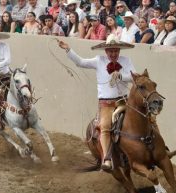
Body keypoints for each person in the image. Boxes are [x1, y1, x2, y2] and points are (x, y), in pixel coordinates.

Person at [58, 34, 136, 170]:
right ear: (106, 51)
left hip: (124, 101)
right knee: (105, 126)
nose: (113, 53)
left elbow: (135, 76)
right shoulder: (99, 60)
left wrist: (122, 76)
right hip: (106, 104)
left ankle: (159, 149)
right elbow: (81, 62)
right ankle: (106, 158)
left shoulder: (126, 60)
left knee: (144, 116)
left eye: (116, 50)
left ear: (119, 50)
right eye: (111, 51)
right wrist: (68, 50)